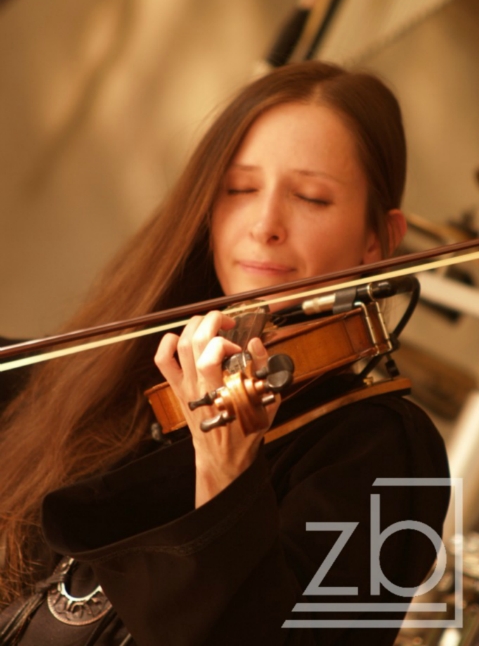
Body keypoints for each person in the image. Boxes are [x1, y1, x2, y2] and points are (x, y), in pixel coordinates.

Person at [0, 62, 449, 645]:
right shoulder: (108, 378)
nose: (264, 224)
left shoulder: (393, 454)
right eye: (239, 189)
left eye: (312, 198)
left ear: (379, 241)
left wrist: (225, 476)